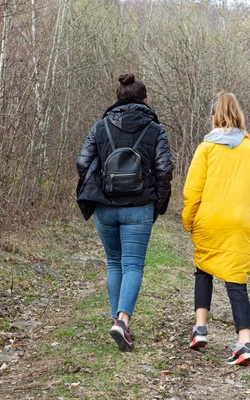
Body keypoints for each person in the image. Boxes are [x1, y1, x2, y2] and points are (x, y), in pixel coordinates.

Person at [76, 74, 173, 351]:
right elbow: (165, 169)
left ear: (117, 98)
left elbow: (83, 161)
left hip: (105, 207)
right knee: (132, 264)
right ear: (144, 100)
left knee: (113, 262)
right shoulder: (155, 130)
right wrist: (157, 203)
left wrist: (96, 187)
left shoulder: (101, 126)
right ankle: (122, 322)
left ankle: (116, 322)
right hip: (138, 206)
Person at [181, 91, 250, 365]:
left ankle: (200, 328)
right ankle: (245, 343)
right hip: (240, 226)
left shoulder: (206, 149)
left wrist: (189, 221)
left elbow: (192, 190)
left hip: (209, 221)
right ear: (239, 117)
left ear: (214, 118)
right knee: (237, 283)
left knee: (204, 269)